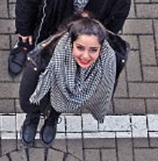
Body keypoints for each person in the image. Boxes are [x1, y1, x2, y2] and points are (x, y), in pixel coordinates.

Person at [19, 16, 128, 146]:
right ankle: (33, 118)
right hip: (45, 95)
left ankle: (53, 117)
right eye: (80, 48)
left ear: (101, 48)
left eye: (93, 50)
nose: (86, 56)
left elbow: (108, 89)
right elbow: (28, 95)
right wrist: (31, 110)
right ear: (71, 44)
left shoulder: (108, 63)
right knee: (40, 103)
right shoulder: (44, 58)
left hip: (61, 100)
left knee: (64, 99)